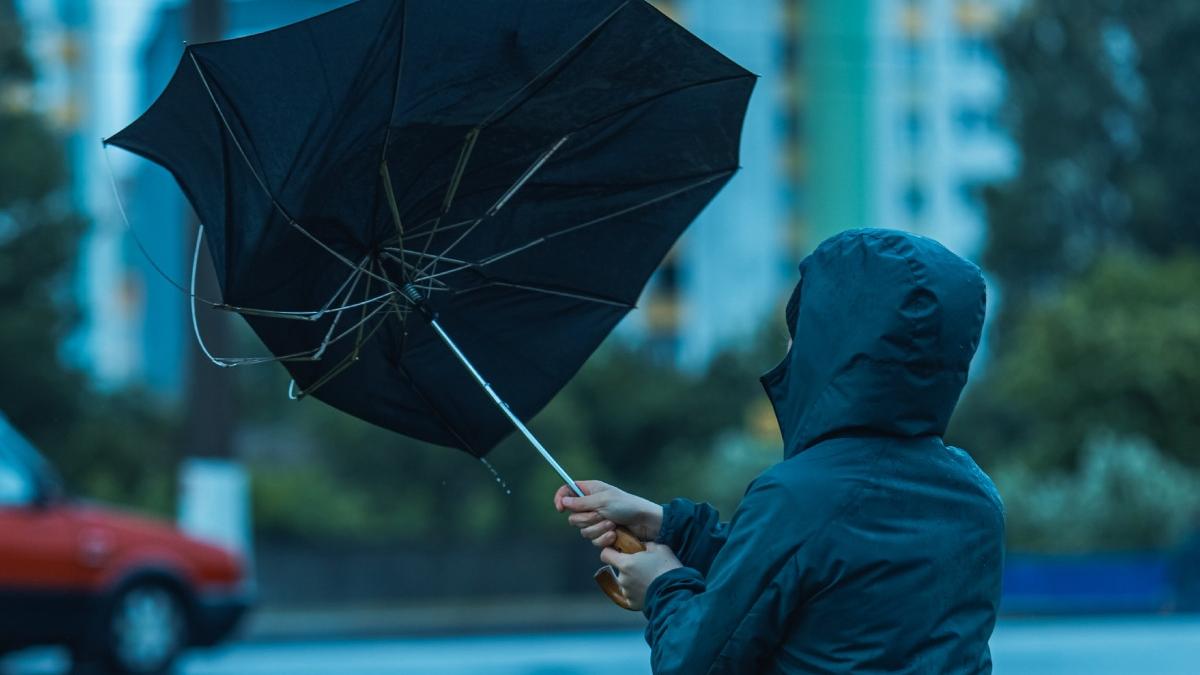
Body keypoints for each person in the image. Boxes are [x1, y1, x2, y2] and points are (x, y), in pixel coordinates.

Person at [555, 229, 1005, 673]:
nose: (790, 345)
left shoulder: (797, 497)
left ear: (831, 344)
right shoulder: (976, 498)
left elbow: (694, 663)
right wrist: (671, 525)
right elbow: (822, 570)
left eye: (800, 328)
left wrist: (661, 587)